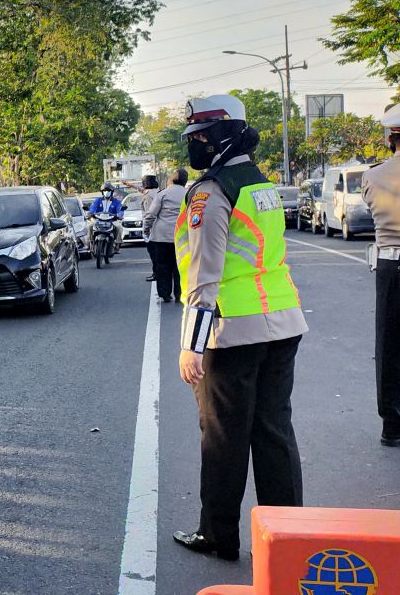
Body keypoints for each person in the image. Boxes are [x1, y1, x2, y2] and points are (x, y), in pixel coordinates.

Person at [171, 93, 308, 562]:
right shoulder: (262, 185)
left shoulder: (211, 192)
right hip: (282, 322)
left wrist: (192, 345)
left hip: (231, 331)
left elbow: (204, 275)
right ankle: (288, 537)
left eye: (202, 136)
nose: (195, 144)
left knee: (224, 437)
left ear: (223, 135)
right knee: (274, 431)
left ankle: (218, 536)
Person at [361, 99, 400, 458]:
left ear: (391, 139)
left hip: (386, 266)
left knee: (390, 346)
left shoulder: (372, 175)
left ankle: (393, 424)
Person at [144, 168, 188, 303]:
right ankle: (180, 293)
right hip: (181, 236)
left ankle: (165, 294)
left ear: (171, 179)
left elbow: (151, 214)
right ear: (185, 181)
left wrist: (146, 229)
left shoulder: (163, 194)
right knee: (179, 266)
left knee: (162, 266)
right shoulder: (189, 194)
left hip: (161, 236)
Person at [89, 182, 125, 256]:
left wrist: (119, 215)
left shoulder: (116, 202)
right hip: (98, 221)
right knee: (90, 226)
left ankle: (117, 245)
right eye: (105, 191)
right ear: (102, 192)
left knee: (119, 227)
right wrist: (90, 213)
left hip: (112, 221)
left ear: (111, 192)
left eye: (108, 191)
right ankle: (91, 243)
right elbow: (92, 208)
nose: (107, 193)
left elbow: (120, 210)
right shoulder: (97, 200)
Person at [141, 175, 160, 281]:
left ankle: (156, 273)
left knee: (153, 254)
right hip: (159, 227)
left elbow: (149, 214)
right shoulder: (158, 192)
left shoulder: (148, 196)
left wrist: (146, 230)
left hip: (151, 229)